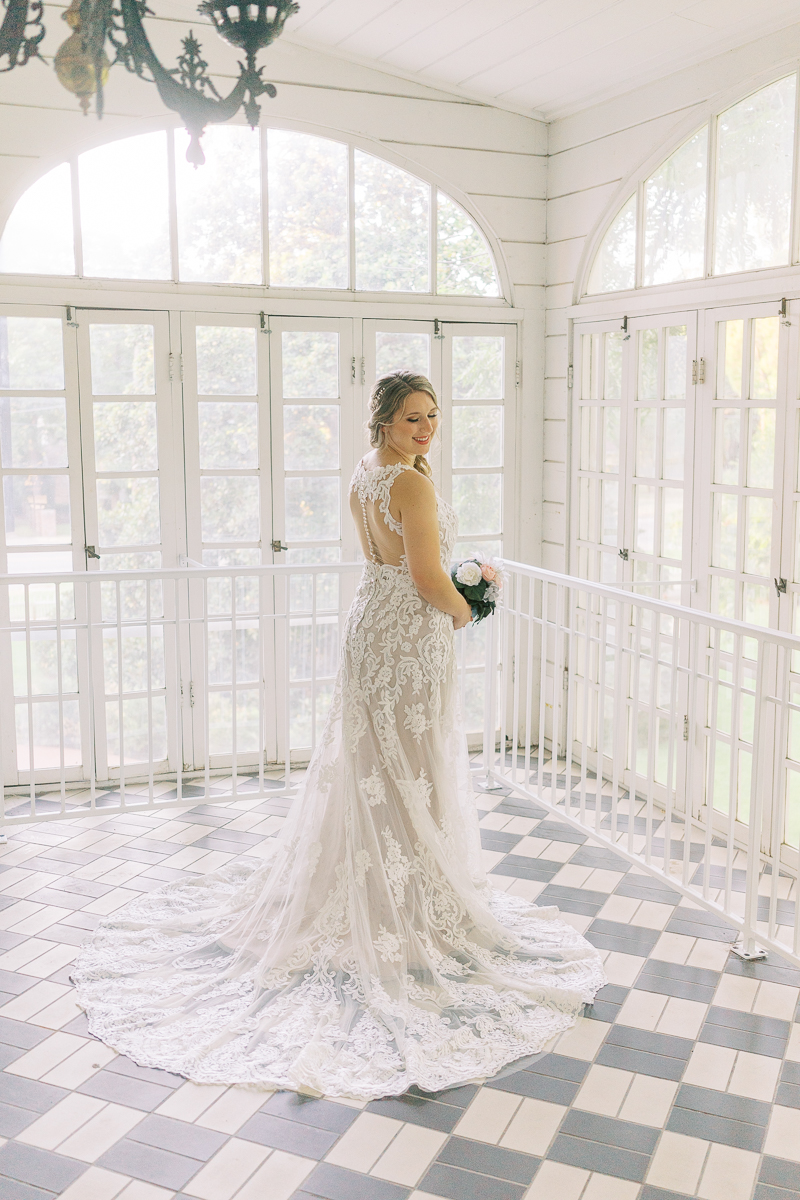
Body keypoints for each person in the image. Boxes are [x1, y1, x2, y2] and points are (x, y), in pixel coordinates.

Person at [72, 370, 604, 1100]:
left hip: (369, 627)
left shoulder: (369, 475)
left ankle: (386, 898)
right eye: (413, 418)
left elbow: (390, 561)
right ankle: (402, 909)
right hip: (409, 633)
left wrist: (450, 586)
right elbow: (423, 578)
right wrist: (467, 608)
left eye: (433, 417)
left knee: (376, 770)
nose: (426, 429)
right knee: (408, 770)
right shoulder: (410, 485)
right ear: (383, 419)